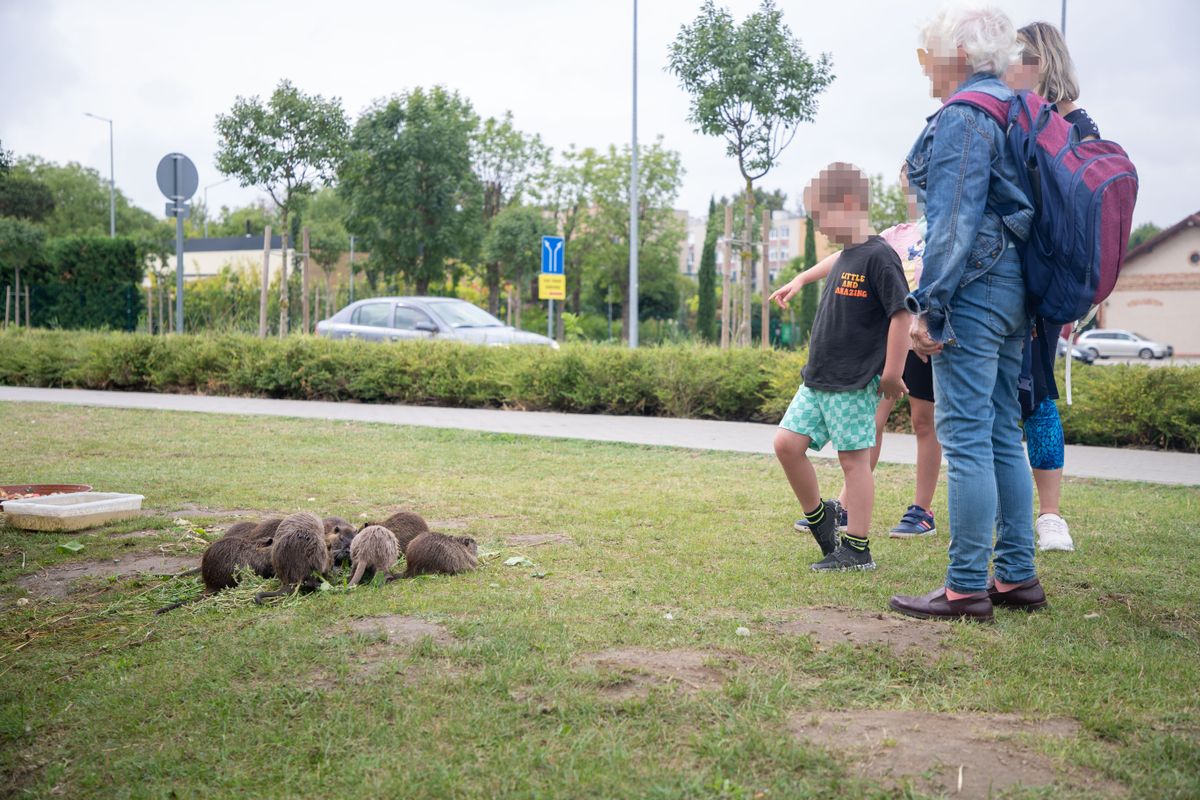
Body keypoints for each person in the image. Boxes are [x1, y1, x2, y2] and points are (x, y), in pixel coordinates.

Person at [889, 4, 1046, 623]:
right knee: (1004, 430)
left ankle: (964, 587)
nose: (924, 63)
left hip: (974, 288)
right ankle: (1015, 576)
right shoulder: (1010, 106)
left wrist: (930, 308)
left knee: (967, 436)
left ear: (955, 53)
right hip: (1012, 288)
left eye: (928, 51)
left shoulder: (963, 116)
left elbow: (953, 221)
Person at [772, 167, 941, 540]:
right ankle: (833, 514)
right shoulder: (880, 241)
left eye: (820, 218)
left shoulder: (903, 245)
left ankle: (882, 530)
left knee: (917, 425)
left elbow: (900, 311)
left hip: (916, 341)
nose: (818, 228)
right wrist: (800, 279)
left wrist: (893, 371)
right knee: (851, 440)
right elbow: (838, 260)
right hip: (848, 366)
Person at [1004, 21, 1099, 553]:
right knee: (1008, 397)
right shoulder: (1024, 119)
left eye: (1015, 57)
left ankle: (1050, 516)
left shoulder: (1074, 128)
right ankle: (1012, 509)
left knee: (1037, 395)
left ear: (1038, 62)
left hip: (1045, 285)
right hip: (1012, 277)